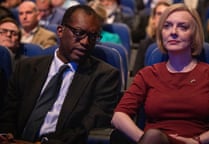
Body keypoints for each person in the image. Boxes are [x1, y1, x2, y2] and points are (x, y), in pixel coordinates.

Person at [112, 3, 209, 144]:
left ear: (194, 35)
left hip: (196, 142)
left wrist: (200, 141)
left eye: (182, 27)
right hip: (154, 141)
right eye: (167, 26)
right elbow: (118, 116)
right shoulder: (148, 74)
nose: (173, 31)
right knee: (153, 136)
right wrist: (142, 138)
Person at [0, 4, 120, 144]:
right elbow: (8, 114)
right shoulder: (26, 68)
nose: (86, 42)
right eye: (78, 33)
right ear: (60, 31)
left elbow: (86, 128)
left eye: (93, 36)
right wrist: (6, 135)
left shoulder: (104, 76)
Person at [132, 1, 170, 76]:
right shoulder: (145, 45)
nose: (163, 17)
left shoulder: (176, 44)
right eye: (159, 14)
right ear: (153, 20)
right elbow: (137, 75)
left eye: (166, 14)